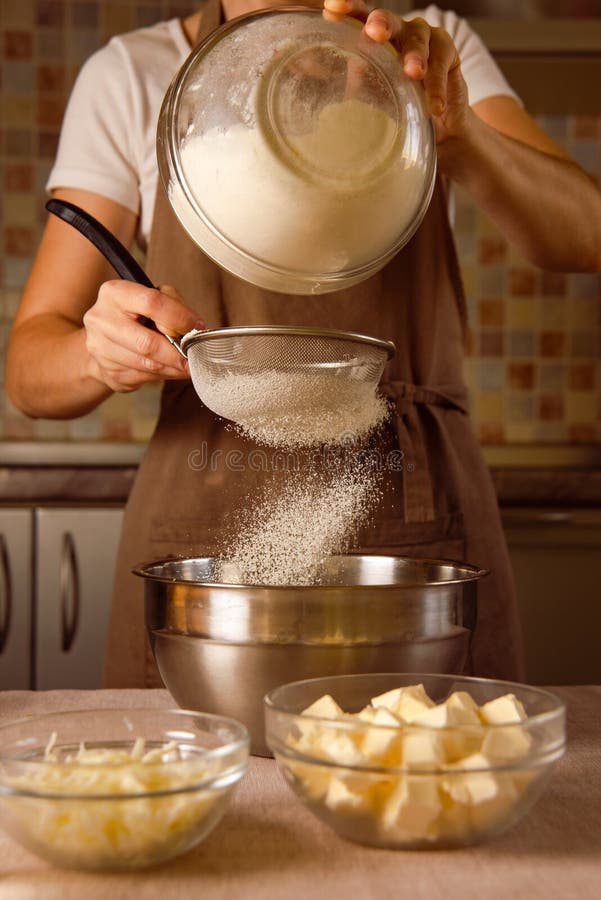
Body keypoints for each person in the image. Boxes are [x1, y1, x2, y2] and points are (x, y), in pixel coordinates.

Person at [6, 0, 601, 688]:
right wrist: (95, 353)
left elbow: (583, 233)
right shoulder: (133, 75)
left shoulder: (430, 49)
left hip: (413, 524)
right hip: (206, 537)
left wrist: (460, 132)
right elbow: (28, 368)